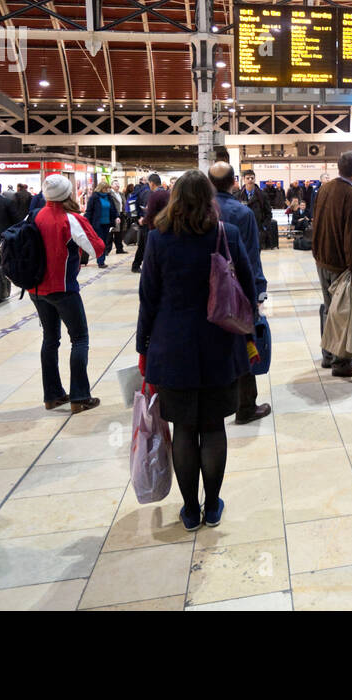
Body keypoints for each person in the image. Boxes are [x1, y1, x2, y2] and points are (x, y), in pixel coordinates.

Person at [137, 170, 257, 531]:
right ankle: (212, 505)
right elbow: (248, 289)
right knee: (214, 426)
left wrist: (144, 345)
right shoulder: (227, 234)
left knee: (184, 429)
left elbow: (149, 299)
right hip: (220, 345)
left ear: (174, 199)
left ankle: (190, 510)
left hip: (172, 348)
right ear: (209, 198)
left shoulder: (158, 240)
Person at [31, 174, 104, 413]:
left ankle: (52, 396)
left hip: (36, 289)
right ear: (68, 194)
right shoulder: (70, 219)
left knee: (50, 339)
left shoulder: (34, 215)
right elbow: (96, 249)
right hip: (63, 288)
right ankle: (79, 396)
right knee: (79, 339)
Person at [209, 161, 271, 423]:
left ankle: (216, 402)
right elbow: (252, 257)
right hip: (237, 289)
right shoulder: (242, 213)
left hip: (207, 290)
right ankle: (245, 405)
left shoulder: (198, 212)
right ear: (235, 181)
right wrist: (258, 291)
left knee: (212, 343)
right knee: (244, 340)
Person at [311, 151, 352, 377]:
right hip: (341, 267)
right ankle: (343, 362)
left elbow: (317, 224)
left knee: (329, 309)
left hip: (323, 261)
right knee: (344, 313)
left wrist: (317, 254)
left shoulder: (325, 189)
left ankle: (328, 355)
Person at [131, 173, 170, 273]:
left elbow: (150, 213)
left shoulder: (154, 195)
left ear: (152, 183)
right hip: (163, 226)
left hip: (151, 226)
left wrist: (142, 220)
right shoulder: (168, 194)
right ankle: (137, 265)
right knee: (145, 246)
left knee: (146, 248)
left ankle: (144, 268)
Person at [85, 183, 119, 268]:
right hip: (97, 224)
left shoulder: (109, 197)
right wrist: (85, 222)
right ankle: (100, 261)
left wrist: (117, 217)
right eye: (106, 188)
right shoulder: (94, 197)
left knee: (105, 241)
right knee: (100, 242)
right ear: (101, 188)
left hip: (107, 223)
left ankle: (101, 259)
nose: (108, 190)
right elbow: (89, 211)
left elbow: (113, 209)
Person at [108, 184, 126, 254]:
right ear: (111, 185)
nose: (117, 185)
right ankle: (107, 249)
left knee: (119, 232)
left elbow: (123, 203)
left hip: (121, 214)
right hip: (113, 214)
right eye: (115, 184)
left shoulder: (121, 194)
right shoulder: (110, 194)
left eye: (118, 184)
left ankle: (119, 249)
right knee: (111, 232)